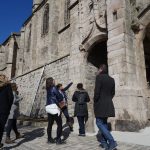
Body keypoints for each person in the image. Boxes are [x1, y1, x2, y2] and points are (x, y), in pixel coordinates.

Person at [94, 64, 117, 150]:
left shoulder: (99, 77)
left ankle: (112, 141)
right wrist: (107, 99)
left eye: (98, 69)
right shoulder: (112, 79)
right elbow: (113, 93)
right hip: (108, 103)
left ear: (100, 69)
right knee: (103, 123)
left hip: (100, 104)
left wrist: (95, 100)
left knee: (99, 123)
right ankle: (104, 144)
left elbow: (97, 92)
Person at [46, 77, 65, 145]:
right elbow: (59, 96)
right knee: (59, 124)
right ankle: (58, 140)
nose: (55, 81)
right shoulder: (54, 88)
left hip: (48, 107)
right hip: (54, 107)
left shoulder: (47, 88)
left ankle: (49, 139)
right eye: (54, 80)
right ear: (52, 81)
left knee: (50, 124)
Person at [0, 75, 13, 149]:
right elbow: (11, 98)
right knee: (1, 127)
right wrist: (8, 108)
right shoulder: (8, 86)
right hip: (4, 110)